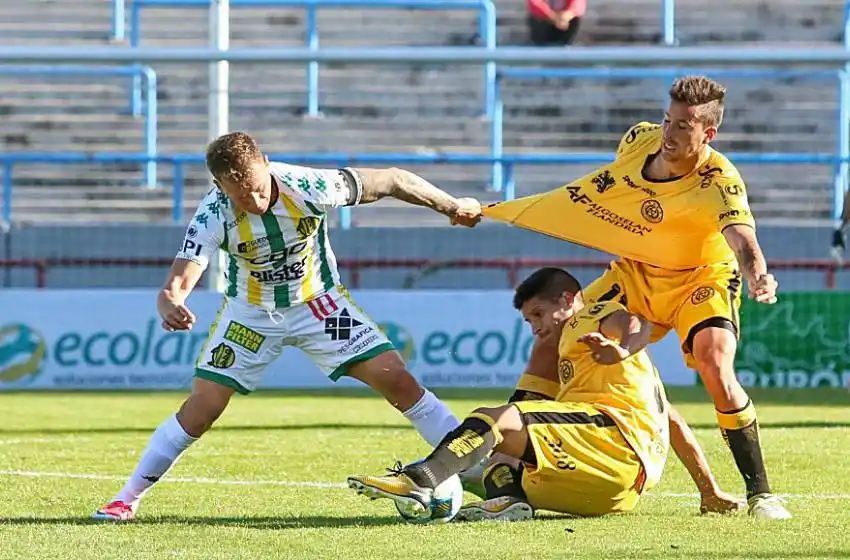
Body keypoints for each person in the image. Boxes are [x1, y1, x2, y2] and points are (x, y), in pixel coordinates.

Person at [92, 131, 483, 521]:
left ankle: (485, 472)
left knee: (398, 381)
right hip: (251, 316)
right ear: (220, 186)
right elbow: (174, 285)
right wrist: (171, 304)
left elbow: (394, 180)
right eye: (241, 196)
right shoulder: (214, 212)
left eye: (259, 189)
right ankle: (126, 499)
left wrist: (450, 205)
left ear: (266, 165)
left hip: (320, 305)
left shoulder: (308, 185)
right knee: (202, 409)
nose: (255, 201)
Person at [483, 76, 791, 519]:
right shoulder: (637, 142)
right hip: (637, 271)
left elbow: (743, 241)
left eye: (683, 126)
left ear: (709, 133)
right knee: (559, 328)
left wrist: (759, 275)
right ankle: (504, 452)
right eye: (668, 120)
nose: (669, 134)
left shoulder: (720, 180)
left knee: (714, 362)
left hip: (699, 278)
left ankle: (761, 493)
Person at [348, 267, 740, 520]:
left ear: (568, 301)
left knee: (494, 418)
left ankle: (421, 479)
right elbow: (671, 421)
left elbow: (634, 322)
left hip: (612, 443)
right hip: (613, 494)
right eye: (527, 320)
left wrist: (624, 346)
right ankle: (505, 499)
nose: (534, 326)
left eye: (538, 314)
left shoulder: (589, 317)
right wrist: (709, 491)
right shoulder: (587, 366)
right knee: (498, 441)